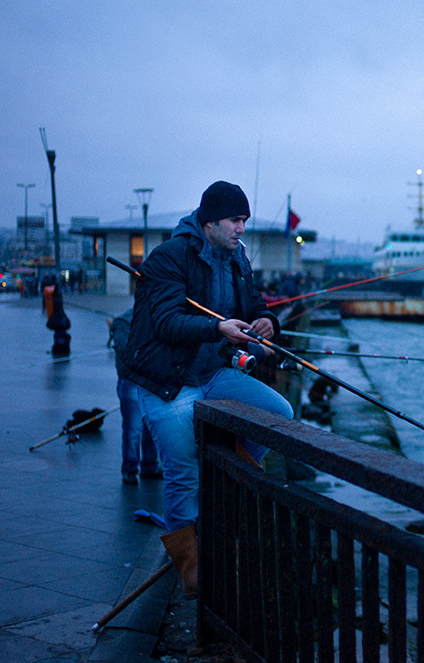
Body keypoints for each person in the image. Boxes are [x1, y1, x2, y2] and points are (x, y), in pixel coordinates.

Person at [122, 180, 293, 598]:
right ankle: (192, 571)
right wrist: (217, 327)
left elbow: (251, 306)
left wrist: (267, 322)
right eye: (236, 221)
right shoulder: (169, 257)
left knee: (279, 415)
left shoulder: (237, 258)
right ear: (211, 221)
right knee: (181, 472)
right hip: (168, 380)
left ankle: (220, 480)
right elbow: (165, 322)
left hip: (214, 372)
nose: (241, 229)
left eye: (245, 222)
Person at [109, 309, 163, 485]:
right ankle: (129, 469)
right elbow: (125, 350)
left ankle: (149, 465)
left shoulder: (153, 316)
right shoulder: (122, 322)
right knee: (133, 428)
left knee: (150, 425)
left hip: (150, 379)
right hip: (131, 381)